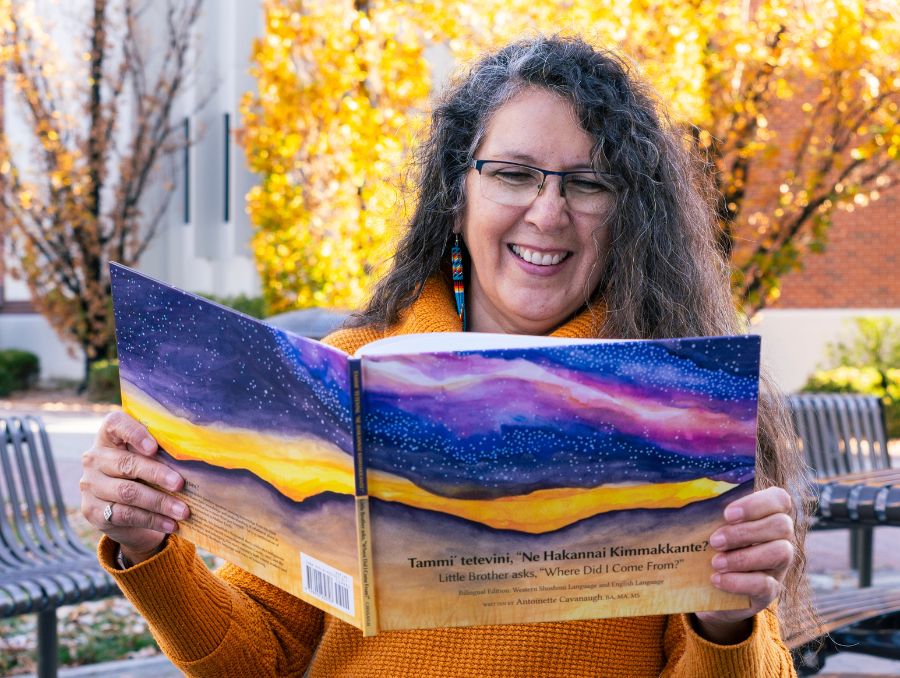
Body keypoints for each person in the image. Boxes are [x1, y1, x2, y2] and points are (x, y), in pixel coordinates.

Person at [81, 35, 809, 676]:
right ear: (456, 194)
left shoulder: (681, 408)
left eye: (588, 183)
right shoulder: (343, 376)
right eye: (514, 173)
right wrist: (149, 546)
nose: (548, 212)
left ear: (629, 215)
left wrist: (728, 620)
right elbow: (260, 658)